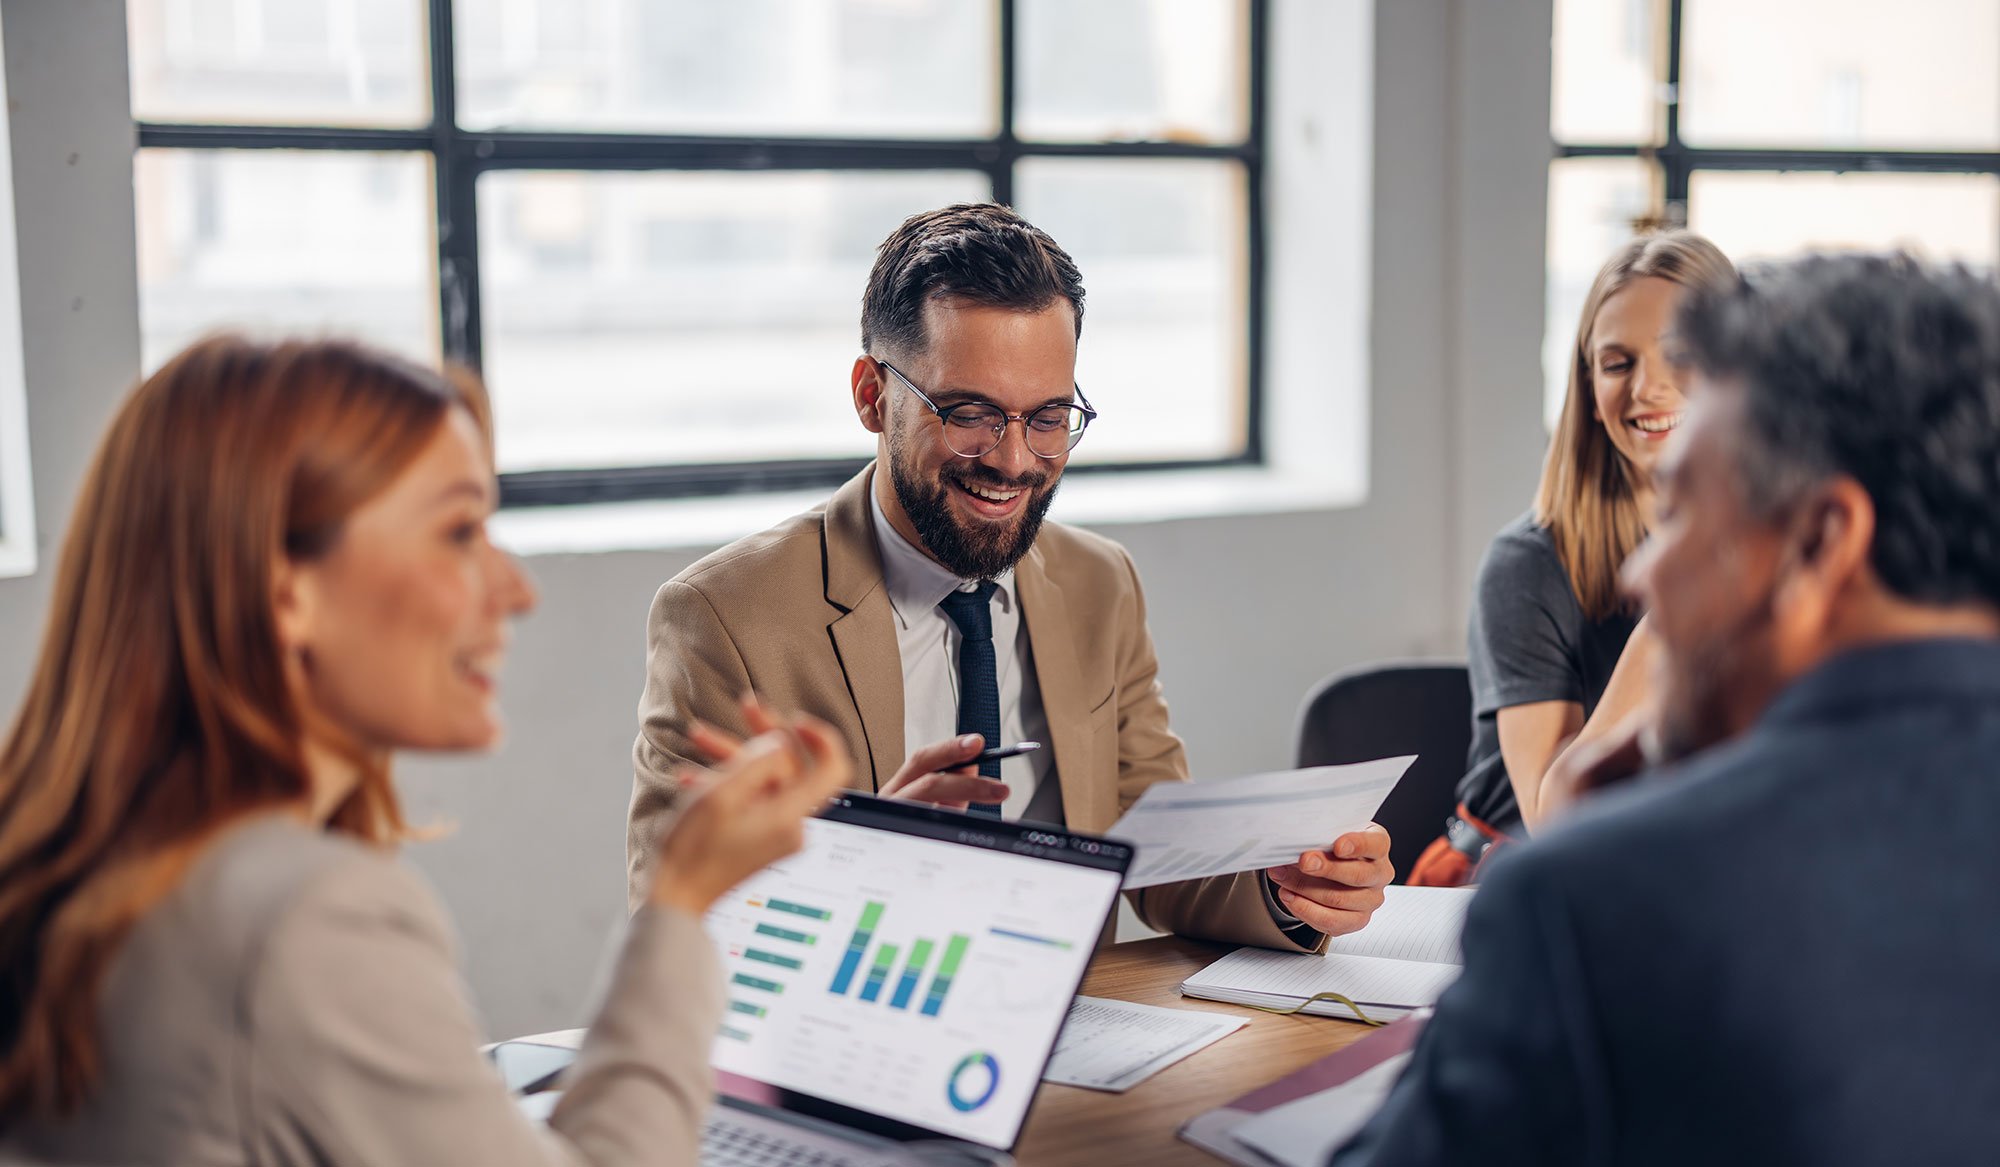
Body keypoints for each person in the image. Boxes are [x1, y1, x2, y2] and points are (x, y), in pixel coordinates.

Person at [0, 337, 850, 1165]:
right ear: (286, 592)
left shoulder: (93, 863)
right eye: (457, 533)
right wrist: (683, 900)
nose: (516, 588)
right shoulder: (308, 921)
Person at [1331, 253, 2000, 1166]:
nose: (1645, 571)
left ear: (1821, 543)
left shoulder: (1593, 903)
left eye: (1683, 514)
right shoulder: (1531, 561)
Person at [628, 203, 1391, 951]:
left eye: (1049, 416)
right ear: (872, 396)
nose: (1015, 460)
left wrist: (1291, 886)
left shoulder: (1100, 582)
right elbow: (675, 923)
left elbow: (1151, 846)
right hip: (850, 1052)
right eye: (970, 414)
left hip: (1078, 1038)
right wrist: (868, 860)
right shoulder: (726, 617)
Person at [1408, 231, 1734, 885]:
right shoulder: (1526, 565)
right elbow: (1552, 822)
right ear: (1587, 385)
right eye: (1617, 364)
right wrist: (1672, 616)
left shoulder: (1780, 549)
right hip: (1506, 876)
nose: (1648, 389)